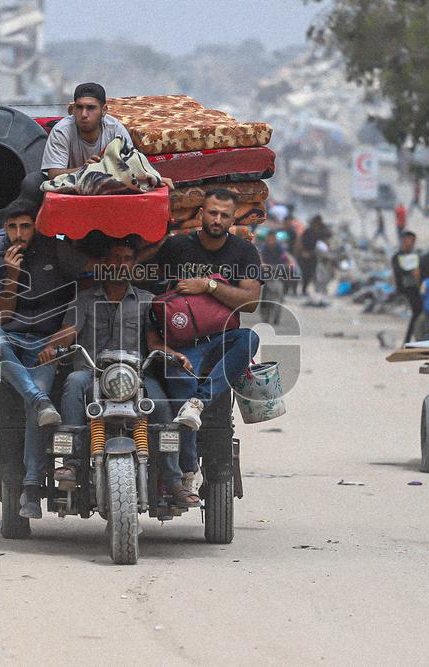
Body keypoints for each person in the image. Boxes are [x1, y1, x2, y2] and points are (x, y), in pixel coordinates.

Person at [37, 239, 196, 514]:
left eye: (127, 258)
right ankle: (72, 464)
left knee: (163, 407)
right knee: (73, 382)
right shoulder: (84, 299)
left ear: (135, 265)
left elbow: (154, 343)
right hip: (92, 375)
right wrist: (52, 347)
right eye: (116, 257)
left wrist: (174, 355)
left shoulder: (147, 301)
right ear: (105, 263)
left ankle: (173, 480)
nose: (121, 264)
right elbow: (69, 331)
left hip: (136, 378)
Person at [147, 189, 262, 491]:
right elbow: (148, 285)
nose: (217, 220)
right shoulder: (177, 247)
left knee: (249, 338)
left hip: (220, 341)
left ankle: (200, 402)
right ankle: (187, 471)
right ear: (200, 214)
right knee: (181, 391)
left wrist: (208, 285)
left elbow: (251, 302)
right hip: (181, 344)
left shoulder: (244, 252)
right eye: (212, 213)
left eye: (225, 215)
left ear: (233, 219)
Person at [0, 203, 85, 517]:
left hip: (46, 345)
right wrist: (12, 275)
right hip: (12, 340)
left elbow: (79, 296)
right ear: (5, 228)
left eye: (25, 227)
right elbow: (1, 317)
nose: (18, 234)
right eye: (12, 227)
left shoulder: (56, 252)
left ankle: (30, 488)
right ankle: (39, 399)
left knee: (34, 409)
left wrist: (55, 344)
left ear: (36, 226)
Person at [40, 82, 134, 178]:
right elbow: (53, 174)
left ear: (104, 110)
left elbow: (133, 168)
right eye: (79, 107)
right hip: (72, 183)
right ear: (73, 109)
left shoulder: (115, 129)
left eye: (91, 108)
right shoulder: (61, 130)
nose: (84, 114)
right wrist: (85, 170)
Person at [392, 231, 422, 343]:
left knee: (419, 312)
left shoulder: (416, 256)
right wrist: (411, 272)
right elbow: (399, 272)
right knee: (417, 311)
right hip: (405, 289)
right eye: (408, 240)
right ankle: (408, 340)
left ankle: (413, 338)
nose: (410, 243)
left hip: (416, 288)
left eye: (412, 241)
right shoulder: (397, 257)